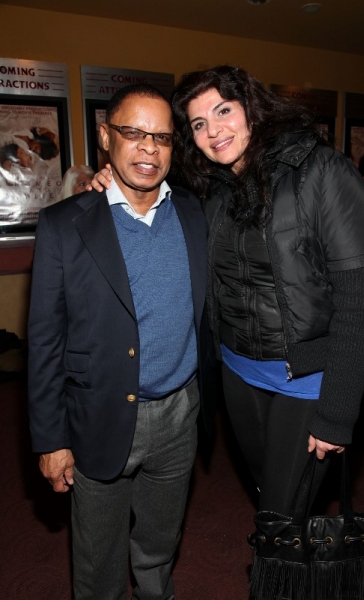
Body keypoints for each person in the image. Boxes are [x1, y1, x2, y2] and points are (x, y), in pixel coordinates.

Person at [91, 65, 364, 518]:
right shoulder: (214, 188)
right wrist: (112, 187)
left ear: (252, 109)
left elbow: (360, 302)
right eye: (199, 123)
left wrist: (339, 412)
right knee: (270, 497)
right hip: (238, 374)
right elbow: (155, 200)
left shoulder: (323, 170)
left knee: (281, 516)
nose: (214, 130)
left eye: (223, 110)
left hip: (305, 379)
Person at [28, 83, 216, 600]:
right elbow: (44, 341)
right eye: (134, 133)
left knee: (159, 546)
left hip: (180, 416)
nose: (149, 149)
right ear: (105, 136)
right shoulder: (65, 224)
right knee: (98, 560)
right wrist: (50, 438)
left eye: (162, 137)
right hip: (99, 415)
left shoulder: (196, 215)